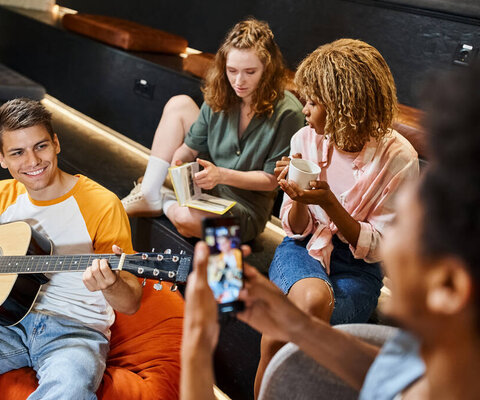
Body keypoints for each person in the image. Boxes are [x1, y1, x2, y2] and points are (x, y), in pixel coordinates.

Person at [180, 65, 480, 400]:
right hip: (304, 249)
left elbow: (374, 249)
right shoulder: (433, 363)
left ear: (450, 285)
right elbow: (387, 375)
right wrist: (296, 325)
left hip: (351, 268)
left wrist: (196, 339)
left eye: (404, 228)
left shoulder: (399, 157)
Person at [0, 98, 142, 399]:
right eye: (17, 152)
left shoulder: (102, 204)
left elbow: (131, 302)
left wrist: (112, 285)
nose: (32, 162)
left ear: (56, 143)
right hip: (5, 321)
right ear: (2, 158)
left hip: (75, 329)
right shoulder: (1, 195)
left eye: (40, 146)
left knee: (69, 388)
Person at [257, 39, 419, 394]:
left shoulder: (398, 158)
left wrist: (330, 203)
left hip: (359, 270)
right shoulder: (306, 140)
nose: (305, 110)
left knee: (282, 325)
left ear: (345, 106)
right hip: (300, 251)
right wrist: (296, 196)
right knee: (311, 300)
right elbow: (295, 230)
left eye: (313, 102)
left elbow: (381, 249)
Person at [121, 18, 305, 242]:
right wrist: (180, 162)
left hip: (246, 209)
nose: (239, 81)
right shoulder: (221, 90)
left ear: (267, 70)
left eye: (250, 72)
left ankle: (162, 200)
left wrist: (221, 175)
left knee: (188, 221)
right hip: (206, 189)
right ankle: (150, 192)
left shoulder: (289, 112)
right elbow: (189, 148)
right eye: (232, 70)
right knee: (179, 104)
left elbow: (271, 180)